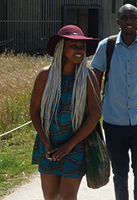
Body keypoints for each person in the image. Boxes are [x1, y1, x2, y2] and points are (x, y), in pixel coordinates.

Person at [91, 4, 137, 200]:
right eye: (124, 18)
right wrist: (92, 119)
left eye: (133, 17)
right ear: (118, 22)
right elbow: (95, 85)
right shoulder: (105, 47)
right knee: (119, 174)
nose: (129, 21)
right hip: (113, 123)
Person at [31, 25, 101, 200]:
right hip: (49, 143)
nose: (79, 50)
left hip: (76, 144)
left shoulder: (87, 77)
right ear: (61, 48)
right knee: (50, 196)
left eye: (82, 46)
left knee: (68, 196)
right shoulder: (45, 75)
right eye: (73, 46)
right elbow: (35, 109)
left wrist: (69, 145)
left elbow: (95, 115)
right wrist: (45, 142)